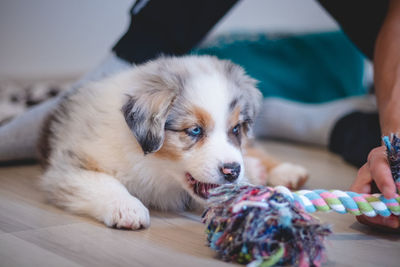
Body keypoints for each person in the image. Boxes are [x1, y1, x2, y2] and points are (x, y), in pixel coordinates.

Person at [0, 0, 398, 229]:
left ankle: (315, 122)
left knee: (234, 156)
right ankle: (111, 69)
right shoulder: (130, 121)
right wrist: (394, 144)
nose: (230, 162)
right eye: (194, 131)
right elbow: (67, 174)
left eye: (236, 132)